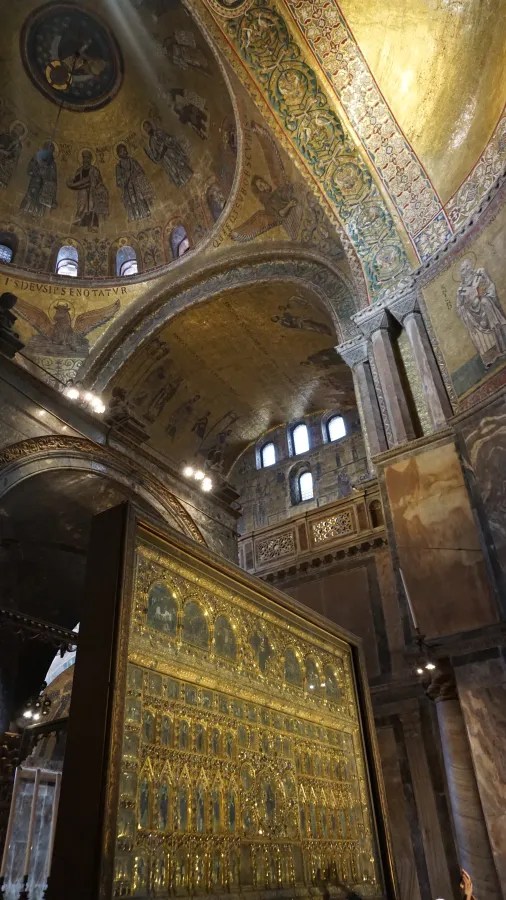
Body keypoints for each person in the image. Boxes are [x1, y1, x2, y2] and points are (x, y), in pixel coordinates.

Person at [456, 257, 506, 367]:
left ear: (470, 266)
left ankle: (502, 347)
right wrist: (465, 309)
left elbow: (490, 285)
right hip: (474, 317)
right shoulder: (461, 290)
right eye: (462, 270)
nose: (465, 271)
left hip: (486, 307)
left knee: (485, 303)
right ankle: (490, 357)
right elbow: (459, 306)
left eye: (466, 267)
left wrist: (486, 295)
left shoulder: (479, 274)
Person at [67, 150, 109, 230]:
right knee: (82, 203)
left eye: (88, 158)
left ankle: (92, 225)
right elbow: (76, 182)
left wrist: (93, 183)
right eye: (84, 158)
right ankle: (79, 220)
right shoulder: (79, 171)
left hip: (93, 191)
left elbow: (99, 181)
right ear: (82, 159)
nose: (86, 160)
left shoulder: (94, 170)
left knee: (92, 205)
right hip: (82, 191)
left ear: (90, 159)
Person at [143, 120, 192, 187]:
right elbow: (156, 156)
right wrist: (159, 153)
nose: (147, 129)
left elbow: (170, 138)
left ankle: (188, 176)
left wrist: (166, 143)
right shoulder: (151, 142)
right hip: (166, 160)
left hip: (172, 153)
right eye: (146, 129)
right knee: (175, 172)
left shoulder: (159, 132)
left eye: (148, 127)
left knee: (181, 166)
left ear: (151, 126)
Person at [115, 143, 153, 221]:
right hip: (128, 189)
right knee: (132, 201)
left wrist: (134, 175)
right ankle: (136, 217)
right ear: (118, 154)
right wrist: (126, 177)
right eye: (121, 151)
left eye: (124, 150)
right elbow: (118, 182)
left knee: (140, 198)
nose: (123, 152)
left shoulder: (132, 161)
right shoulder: (118, 167)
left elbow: (140, 171)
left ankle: (146, 213)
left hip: (137, 185)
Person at [20, 142, 57, 218]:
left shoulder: (53, 164)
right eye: (48, 150)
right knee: (29, 198)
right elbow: (29, 170)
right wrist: (37, 171)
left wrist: (53, 198)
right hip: (34, 184)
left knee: (39, 206)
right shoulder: (36, 157)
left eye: (51, 151)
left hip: (44, 188)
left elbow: (53, 179)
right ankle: (23, 213)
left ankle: (36, 218)